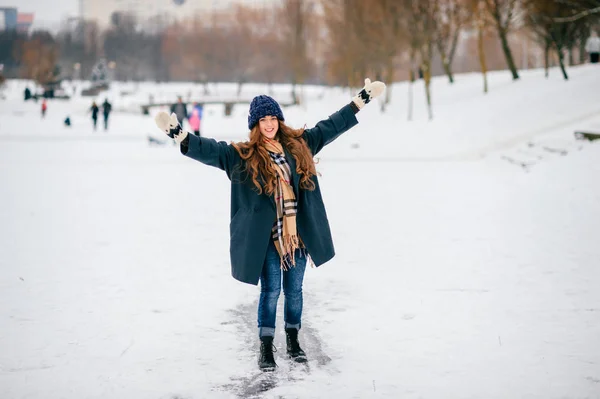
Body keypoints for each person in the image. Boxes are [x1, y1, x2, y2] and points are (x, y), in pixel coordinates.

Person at [154, 78, 385, 371]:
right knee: (271, 291)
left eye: (272, 117)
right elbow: (212, 150)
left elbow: (331, 126)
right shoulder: (243, 156)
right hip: (268, 239)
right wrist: (180, 136)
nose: (269, 124)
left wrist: (360, 100)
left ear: (279, 119)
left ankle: (293, 339)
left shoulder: (301, 145)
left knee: (295, 291)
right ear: (255, 124)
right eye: (262, 119)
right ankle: (265, 347)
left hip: (298, 237)